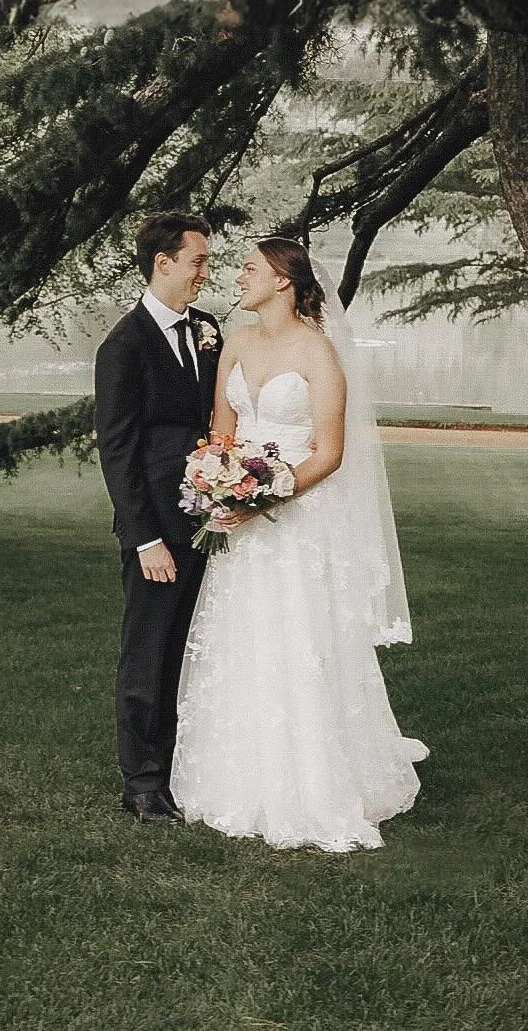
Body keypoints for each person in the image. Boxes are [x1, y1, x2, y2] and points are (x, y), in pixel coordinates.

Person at [170, 237, 427, 851]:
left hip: (299, 521)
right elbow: (221, 435)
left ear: (283, 280)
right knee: (245, 637)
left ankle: (312, 782)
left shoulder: (317, 351)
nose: (237, 277)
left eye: (249, 268)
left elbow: (331, 453)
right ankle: (236, 777)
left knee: (300, 637)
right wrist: (220, 487)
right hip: (241, 517)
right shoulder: (235, 342)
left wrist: (264, 499)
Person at [94, 213, 223, 824]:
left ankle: (184, 768)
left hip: (208, 519)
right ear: (163, 262)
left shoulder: (209, 332)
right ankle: (142, 783)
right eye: (197, 261)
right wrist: (144, 538)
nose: (205, 272)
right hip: (156, 532)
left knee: (192, 648)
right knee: (148, 651)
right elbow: (117, 453)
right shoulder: (123, 346)